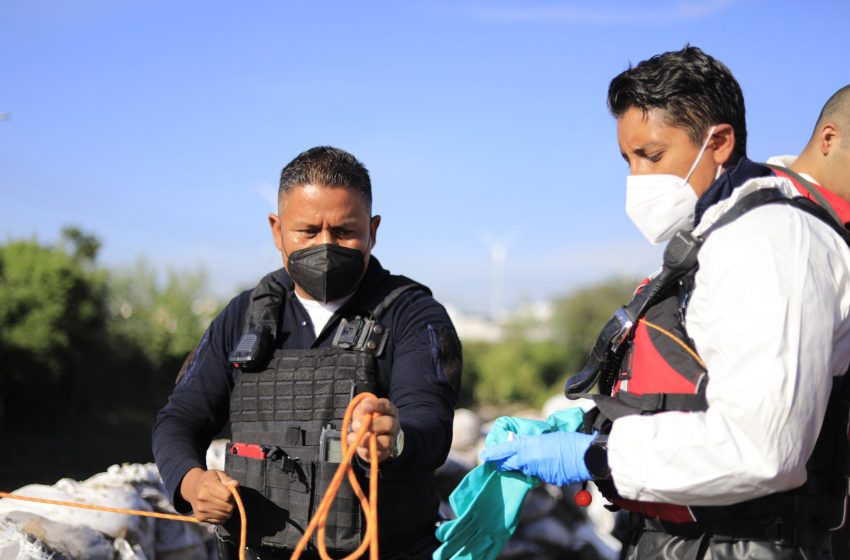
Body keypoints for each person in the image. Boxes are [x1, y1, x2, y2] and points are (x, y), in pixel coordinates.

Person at [482, 47, 850, 559]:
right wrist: (592, 424)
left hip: (743, 544)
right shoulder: (718, 236)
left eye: (652, 156)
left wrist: (594, 456)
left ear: (718, 142)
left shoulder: (771, 240)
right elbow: (694, 387)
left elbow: (766, 449)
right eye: (628, 160)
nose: (638, 179)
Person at [152, 146, 462, 559]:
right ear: (276, 229)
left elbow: (431, 422)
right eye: (309, 231)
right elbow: (179, 420)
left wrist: (394, 440)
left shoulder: (414, 314)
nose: (326, 246)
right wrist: (192, 484)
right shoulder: (242, 315)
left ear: (373, 229)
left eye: (345, 231)